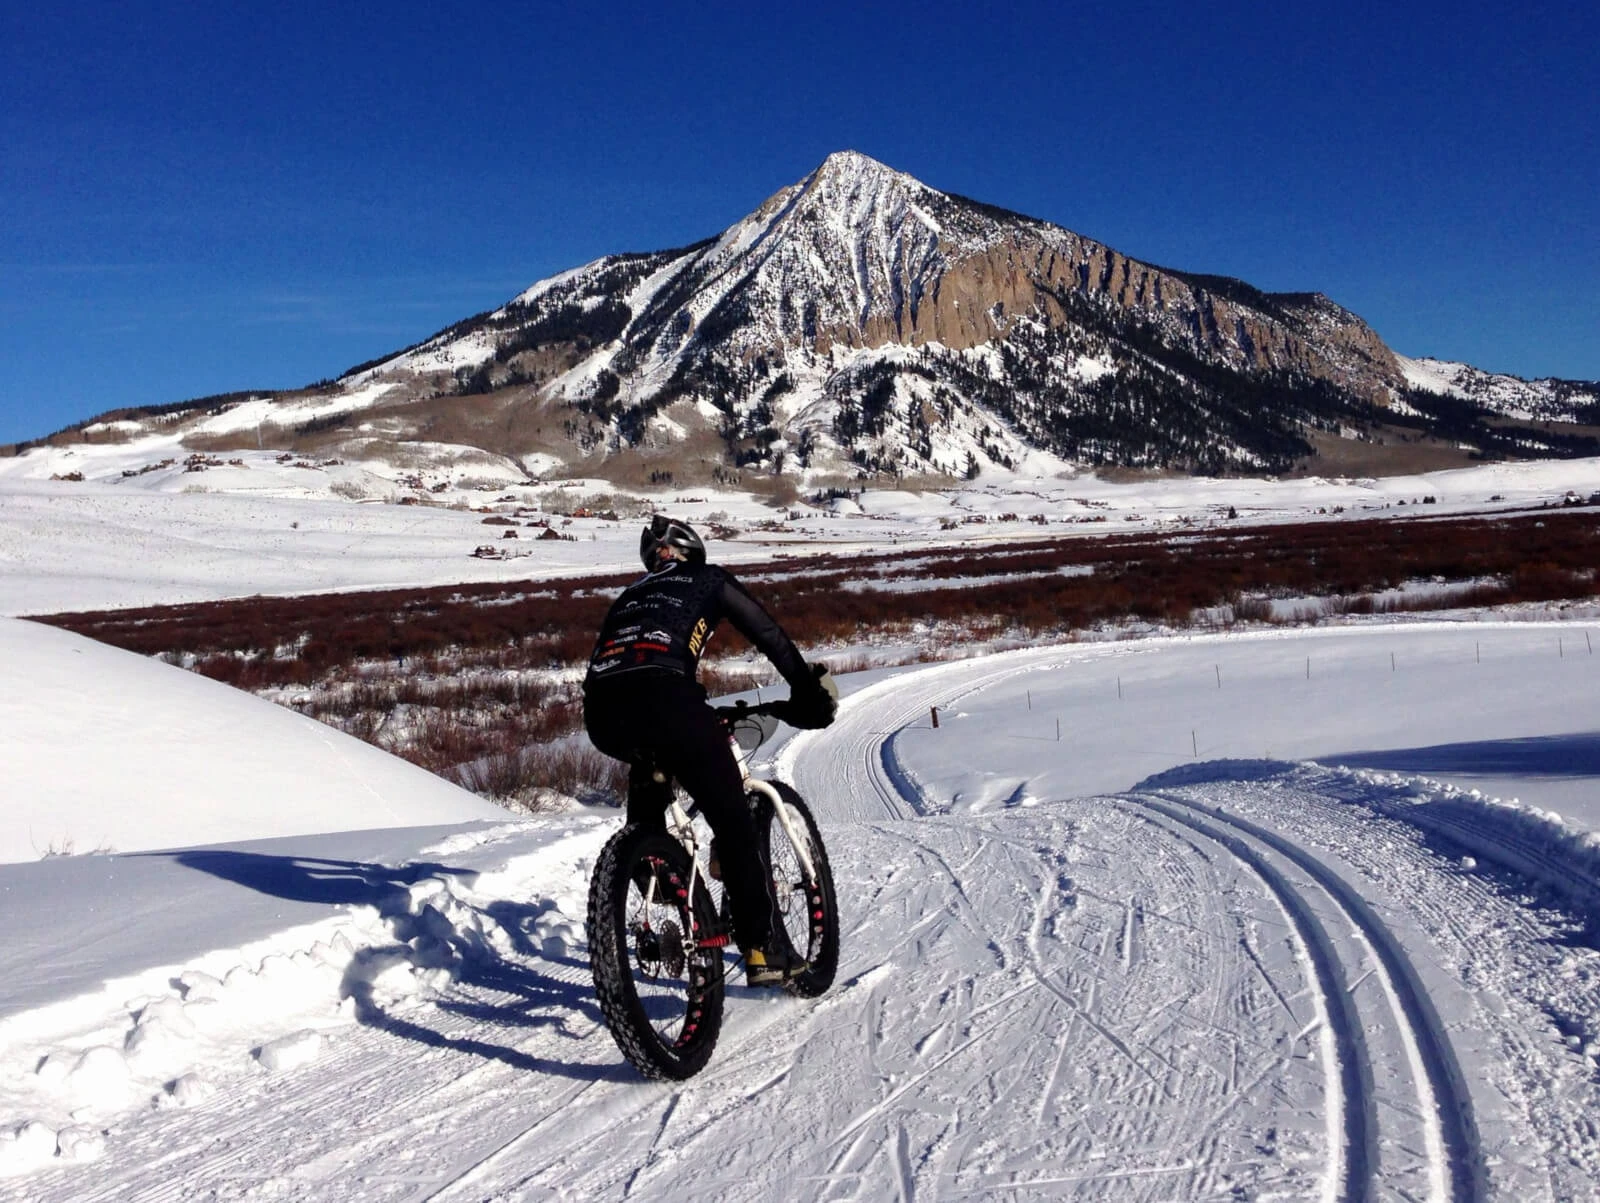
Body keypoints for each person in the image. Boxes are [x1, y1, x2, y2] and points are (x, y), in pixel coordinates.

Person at [584, 514, 838, 986]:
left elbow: (614, 666)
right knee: (733, 819)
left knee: (651, 768)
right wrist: (807, 690)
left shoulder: (628, 596)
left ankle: (650, 865)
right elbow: (769, 635)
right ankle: (763, 949)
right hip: (670, 701)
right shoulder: (708, 579)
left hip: (602, 716)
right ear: (692, 551)